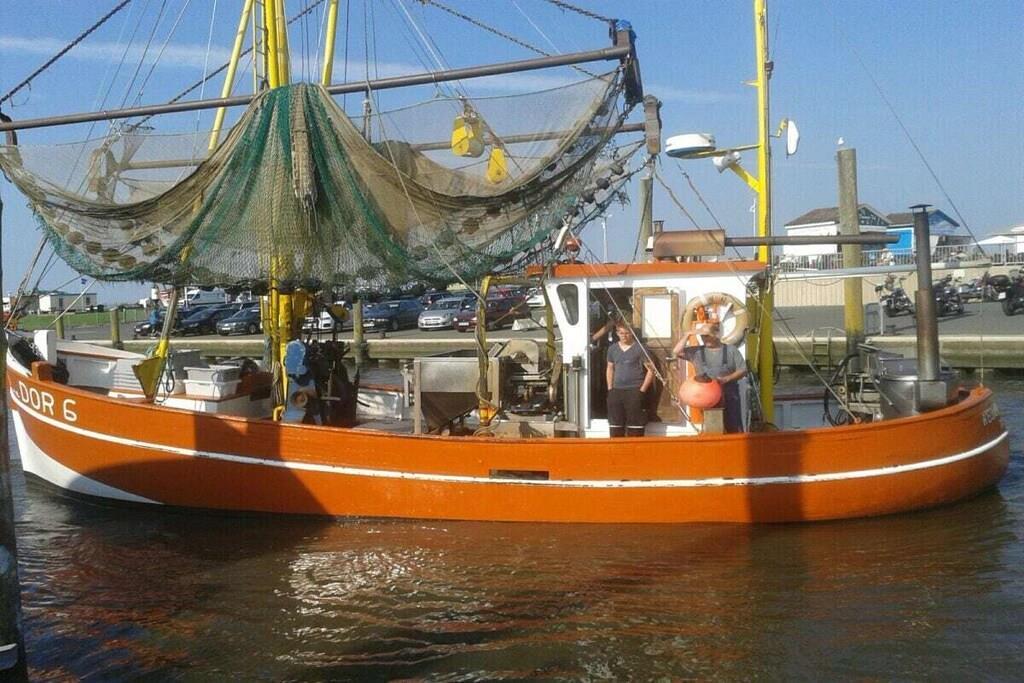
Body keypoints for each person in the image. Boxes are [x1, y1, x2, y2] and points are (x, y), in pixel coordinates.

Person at [672, 321, 747, 433]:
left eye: (707, 336)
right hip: (707, 397)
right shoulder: (696, 352)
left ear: (716, 335)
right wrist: (687, 335)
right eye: (702, 336)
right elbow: (676, 351)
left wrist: (727, 378)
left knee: (733, 425)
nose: (704, 339)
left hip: (729, 394)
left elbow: (743, 370)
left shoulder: (731, 350)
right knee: (712, 427)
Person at [605, 321, 655, 437]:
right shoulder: (612, 349)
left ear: (632, 333)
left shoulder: (640, 348)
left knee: (635, 426)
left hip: (635, 390)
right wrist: (610, 388)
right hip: (616, 391)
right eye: (621, 333)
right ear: (617, 333)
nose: (624, 336)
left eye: (627, 333)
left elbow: (651, 370)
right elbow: (610, 368)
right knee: (615, 425)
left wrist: (642, 390)